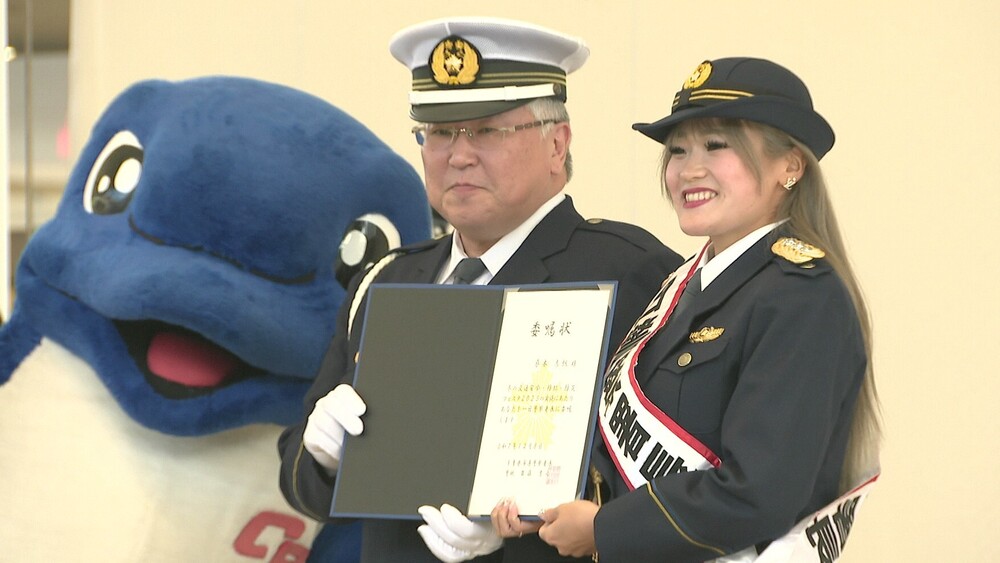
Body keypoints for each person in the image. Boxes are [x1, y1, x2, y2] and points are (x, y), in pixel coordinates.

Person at [276, 17, 683, 563]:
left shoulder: (633, 274)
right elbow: (299, 478)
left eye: (487, 131)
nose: (458, 156)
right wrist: (321, 455)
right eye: (439, 132)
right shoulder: (388, 281)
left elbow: (680, 477)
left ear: (556, 144)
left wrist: (541, 519)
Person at [492, 57, 883, 562]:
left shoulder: (802, 295)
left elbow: (759, 493)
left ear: (790, 164)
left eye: (718, 146)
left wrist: (605, 528)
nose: (689, 169)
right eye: (678, 151)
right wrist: (546, 500)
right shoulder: (685, 284)